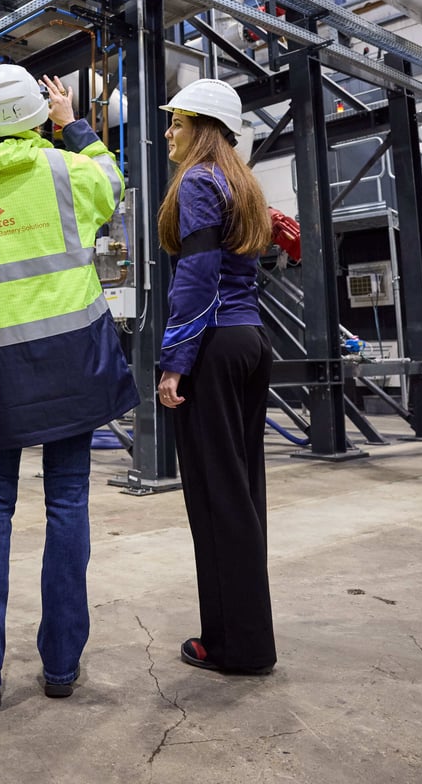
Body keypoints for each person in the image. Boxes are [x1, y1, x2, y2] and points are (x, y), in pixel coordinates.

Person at [0, 65, 139, 711]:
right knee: (67, 503)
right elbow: (113, 179)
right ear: (39, 115)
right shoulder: (68, 172)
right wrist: (74, 124)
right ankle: (62, 666)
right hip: (72, 359)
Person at [156, 78, 277, 675]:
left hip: (214, 346)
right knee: (243, 494)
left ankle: (234, 647)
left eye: (177, 122)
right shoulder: (242, 181)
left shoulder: (200, 182)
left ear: (203, 127)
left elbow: (198, 277)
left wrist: (175, 358)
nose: (169, 132)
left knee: (214, 498)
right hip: (251, 340)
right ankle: (247, 637)